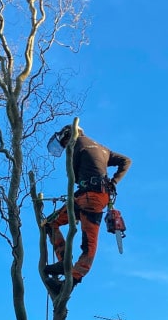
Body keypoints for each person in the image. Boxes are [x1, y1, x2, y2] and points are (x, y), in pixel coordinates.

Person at [44, 124, 131, 292]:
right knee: (50, 223)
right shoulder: (102, 148)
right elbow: (126, 161)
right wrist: (113, 183)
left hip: (90, 198)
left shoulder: (76, 145)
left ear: (69, 135)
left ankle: (71, 278)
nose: (64, 146)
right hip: (89, 197)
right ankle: (65, 264)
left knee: (88, 243)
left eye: (64, 142)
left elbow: (73, 174)